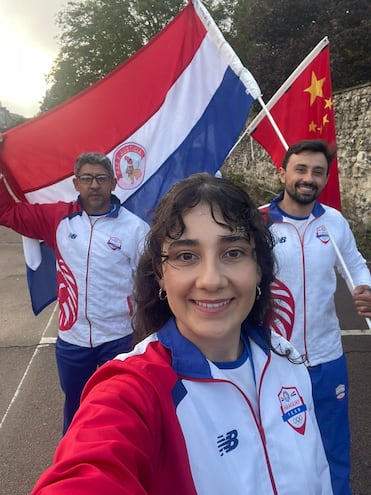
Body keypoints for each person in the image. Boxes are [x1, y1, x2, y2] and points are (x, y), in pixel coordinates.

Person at [30, 172, 333, 495]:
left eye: (233, 252)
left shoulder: (285, 356)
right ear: (160, 275)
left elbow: (318, 473)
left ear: (258, 267)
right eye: (186, 256)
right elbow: (87, 472)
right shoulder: (133, 389)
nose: (211, 280)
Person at [0, 152, 149, 434]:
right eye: (87, 178)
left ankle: (116, 465)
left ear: (114, 183)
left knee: (118, 409)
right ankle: (73, 464)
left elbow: (153, 282)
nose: (94, 185)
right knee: (76, 406)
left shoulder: (135, 229)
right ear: (76, 183)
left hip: (118, 337)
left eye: (101, 178)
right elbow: (6, 212)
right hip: (73, 340)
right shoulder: (56, 218)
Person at [262, 139, 371, 495]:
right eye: (301, 169)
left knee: (333, 448)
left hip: (328, 358)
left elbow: (354, 265)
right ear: (283, 173)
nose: (309, 178)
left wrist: (364, 288)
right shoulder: (259, 224)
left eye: (318, 172)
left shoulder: (334, 222)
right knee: (279, 449)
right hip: (275, 361)